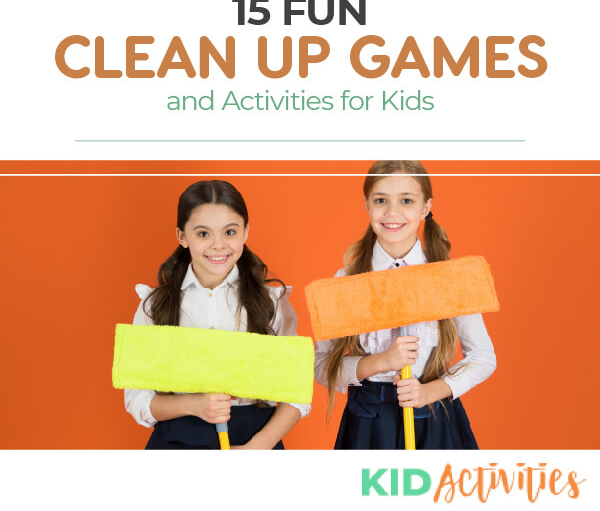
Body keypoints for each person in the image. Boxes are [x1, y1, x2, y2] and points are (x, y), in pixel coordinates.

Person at [314, 160, 496, 449]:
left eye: (407, 200)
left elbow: (483, 357)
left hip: (433, 418)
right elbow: (321, 365)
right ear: (366, 204)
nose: (392, 212)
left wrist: (430, 392)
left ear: (425, 207)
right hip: (368, 424)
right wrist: (381, 362)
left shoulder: (449, 278)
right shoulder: (346, 280)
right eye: (381, 200)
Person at [125, 179, 308, 449]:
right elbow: (136, 398)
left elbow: (298, 393)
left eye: (230, 232)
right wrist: (196, 404)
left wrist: (256, 448)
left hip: (255, 441)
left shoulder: (273, 304)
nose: (218, 245)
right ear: (181, 237)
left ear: (246, 232)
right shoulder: (154, 306)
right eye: (203, 234)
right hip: (178, 437)